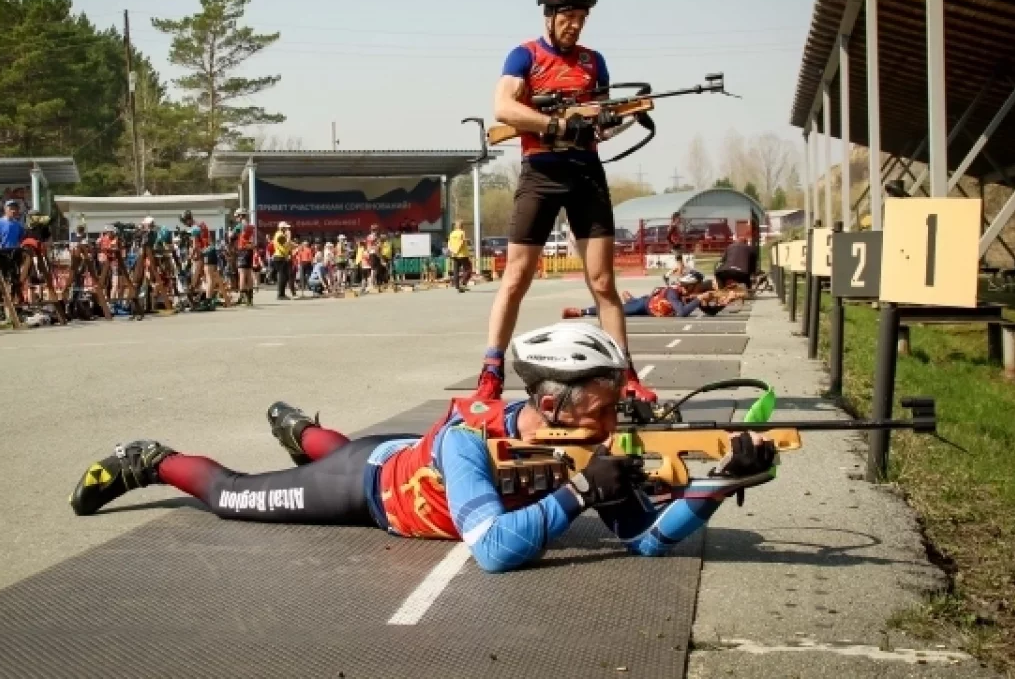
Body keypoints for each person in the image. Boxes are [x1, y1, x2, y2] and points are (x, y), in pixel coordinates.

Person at [68, 322, 777, 573]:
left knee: (334, 445)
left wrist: (717, 482)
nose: (615, 407)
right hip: (366, 487)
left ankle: (299, 428)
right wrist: (583, 490)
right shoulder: (474, 441)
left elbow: (649, 542)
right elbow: (496, 551)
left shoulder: (586, 444)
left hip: (400, 454)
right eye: (600, 395)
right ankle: (151, 458)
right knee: (232, 496)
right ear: (553, 400)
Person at [476, 0, 653, 404]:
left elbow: (599, 127)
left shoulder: (595, 63)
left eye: (582, 17)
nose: (575, 24)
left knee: (603, 281)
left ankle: (626, 375)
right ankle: (491, 372)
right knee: (516, 276)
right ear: (550, 14)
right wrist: (554, 123)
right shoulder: (524, 56)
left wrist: (614, 122)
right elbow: (503, 107)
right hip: (541, 172)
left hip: (586, 173)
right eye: (569, 15)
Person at [564, 271, 721, 319]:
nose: (700, 290)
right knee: (618, 309)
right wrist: (699, 299)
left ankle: (631, 298)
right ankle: (582, 311)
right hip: (645, 305)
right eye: (698, 286)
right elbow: (681, 313)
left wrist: (723, 302)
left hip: (649, 304)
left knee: (630, 303)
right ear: (691, 285)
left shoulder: (691, 295)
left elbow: (711, 312)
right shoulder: (673, 292)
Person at [0, 200, 26, 306]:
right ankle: (0, 300)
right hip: (2, 252)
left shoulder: (18, 224)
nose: (14, 211)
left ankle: (14, 301)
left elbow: (21, 238)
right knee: (2, 277)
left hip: (14, 252)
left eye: (15, 209)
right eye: (11, 208)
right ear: (5, 209)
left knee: (15, 277)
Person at [231, 209, 256, 306]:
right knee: (249, 274)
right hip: (250, 250)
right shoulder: (250, 226)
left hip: (242, 250)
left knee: (241, 273)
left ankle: (242, 296)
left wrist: (231, 233)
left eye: (237, 216)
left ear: (241, 216)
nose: (236, 218)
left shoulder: (240, 225)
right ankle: (250, 298)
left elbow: (231, 235)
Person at [446, 220, 470, 292]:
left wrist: (452, 251)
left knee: (456, 270)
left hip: (454, 254)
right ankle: (463, 283)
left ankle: (457, 286)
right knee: (468, 269)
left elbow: (449, 243)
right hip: (462, 254)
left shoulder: (452, 233)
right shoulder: (462, 232)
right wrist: (457, 250)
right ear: (462, 226)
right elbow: (461, 242)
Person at [272, 222, 293, 300]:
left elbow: (288, 245)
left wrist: (295, 246)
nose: (287, 229)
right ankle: (280, 295)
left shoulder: (282, 235)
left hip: (282, 257)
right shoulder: (280, 235)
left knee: (284, 276)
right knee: (282, 276)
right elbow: (286, 245)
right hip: (280, 257)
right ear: (282, 228)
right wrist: (289, 236)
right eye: (286, 228)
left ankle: (282, 294)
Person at [666, 212, 686, 280]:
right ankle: (680, 279)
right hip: (675, 247)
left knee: (681, 265)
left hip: (677, 246)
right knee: (680, 265)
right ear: (675, 218)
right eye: (679, 217)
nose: (680, 219)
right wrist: (673, 244)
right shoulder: (673, 226)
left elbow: (675, 236)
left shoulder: (675, 226)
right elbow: (668, 236)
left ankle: (667, 275)